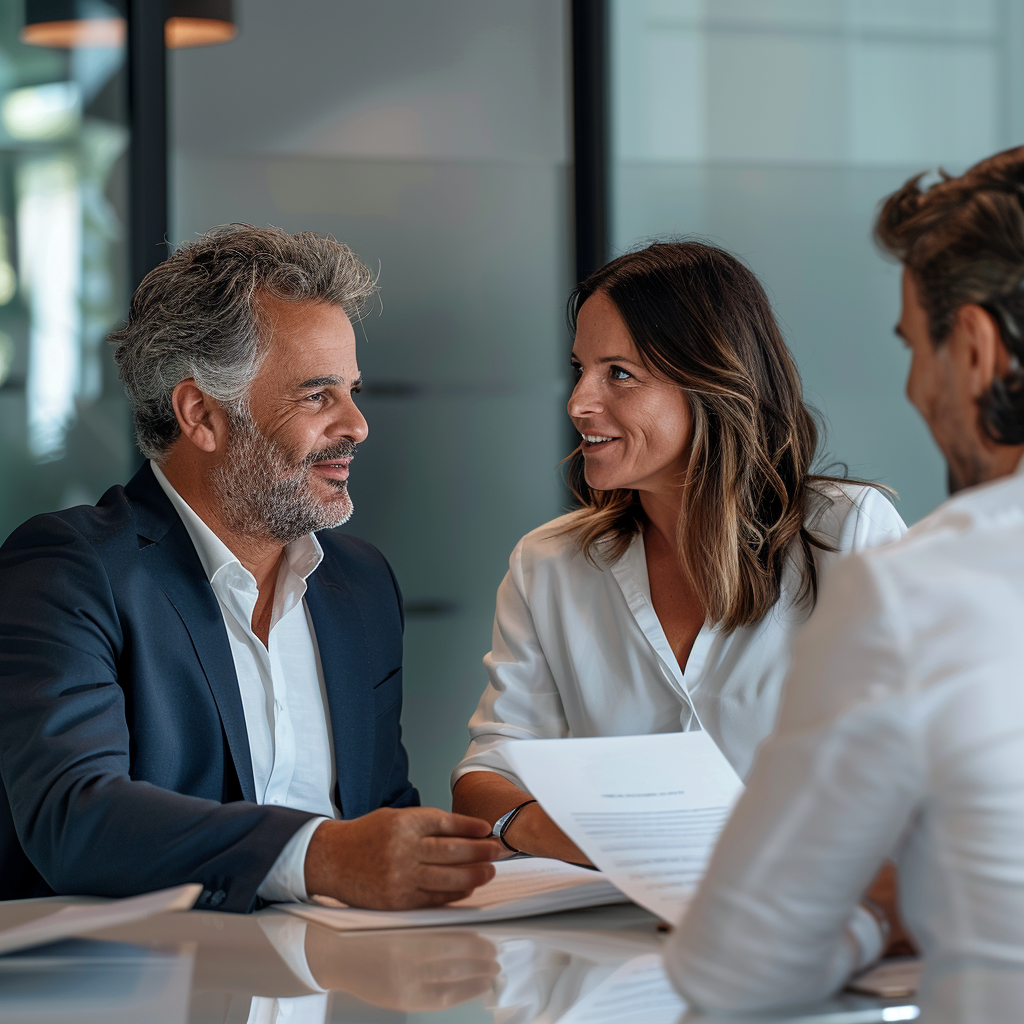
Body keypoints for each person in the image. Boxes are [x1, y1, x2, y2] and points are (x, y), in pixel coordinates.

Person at [0, 225, 499, 912]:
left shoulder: (360, 585)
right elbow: (76, 819)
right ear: (202, 415)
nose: (357, 424)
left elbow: (382, 818)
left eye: (353, 390)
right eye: (318, 395)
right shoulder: (68, 573)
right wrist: (317, 856)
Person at [666, 147, 1024, 1019]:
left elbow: (734, 969)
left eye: (914, 346)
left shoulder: (920, 592)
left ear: (975, 349)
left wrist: (877, 912)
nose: (913, 385)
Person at [451, 242, 906, 863]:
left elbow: (918, 759)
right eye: (580, 367)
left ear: (712, 382)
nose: (579, 402)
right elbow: (490, 771)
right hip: (606, 932)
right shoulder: (548, 563)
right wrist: (585, 841)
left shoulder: (848, 534)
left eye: (619, 373)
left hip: (807, 923)